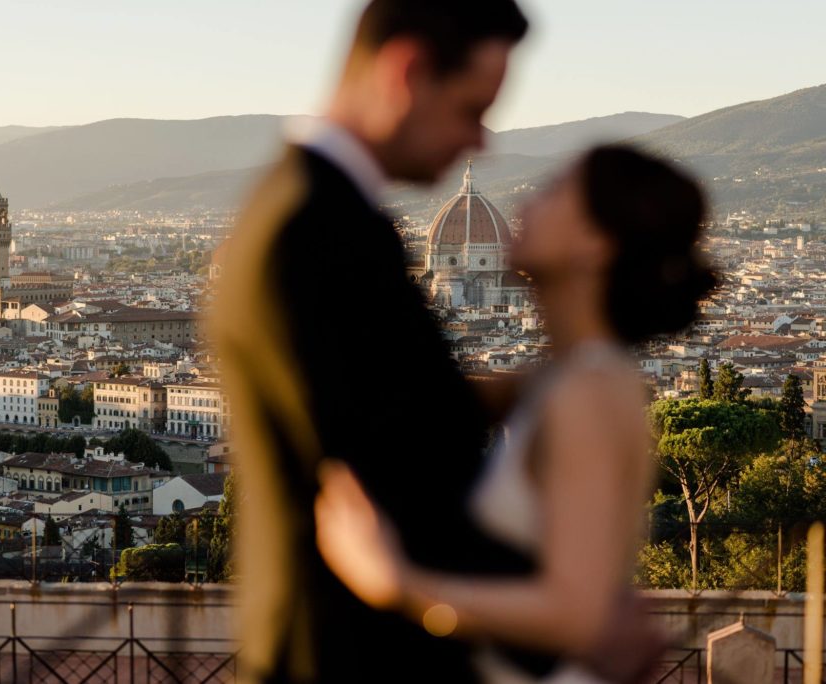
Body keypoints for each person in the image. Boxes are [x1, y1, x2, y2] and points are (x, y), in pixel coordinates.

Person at [209, 1, 556, 682]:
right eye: (471, 108)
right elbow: (399, 474)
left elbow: (381, 410)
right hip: (348, 655)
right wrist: (565, 621)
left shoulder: (305, 211)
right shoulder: (318, 232)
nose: (481, 141)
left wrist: (512, 392)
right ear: (408, 72)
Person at [314, 145, 717, 683]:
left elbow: (576, 613)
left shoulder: (588, 392)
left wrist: (396, 584)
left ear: (594, 246)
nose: (528, 201)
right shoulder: (570, 378)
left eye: (556, 192)